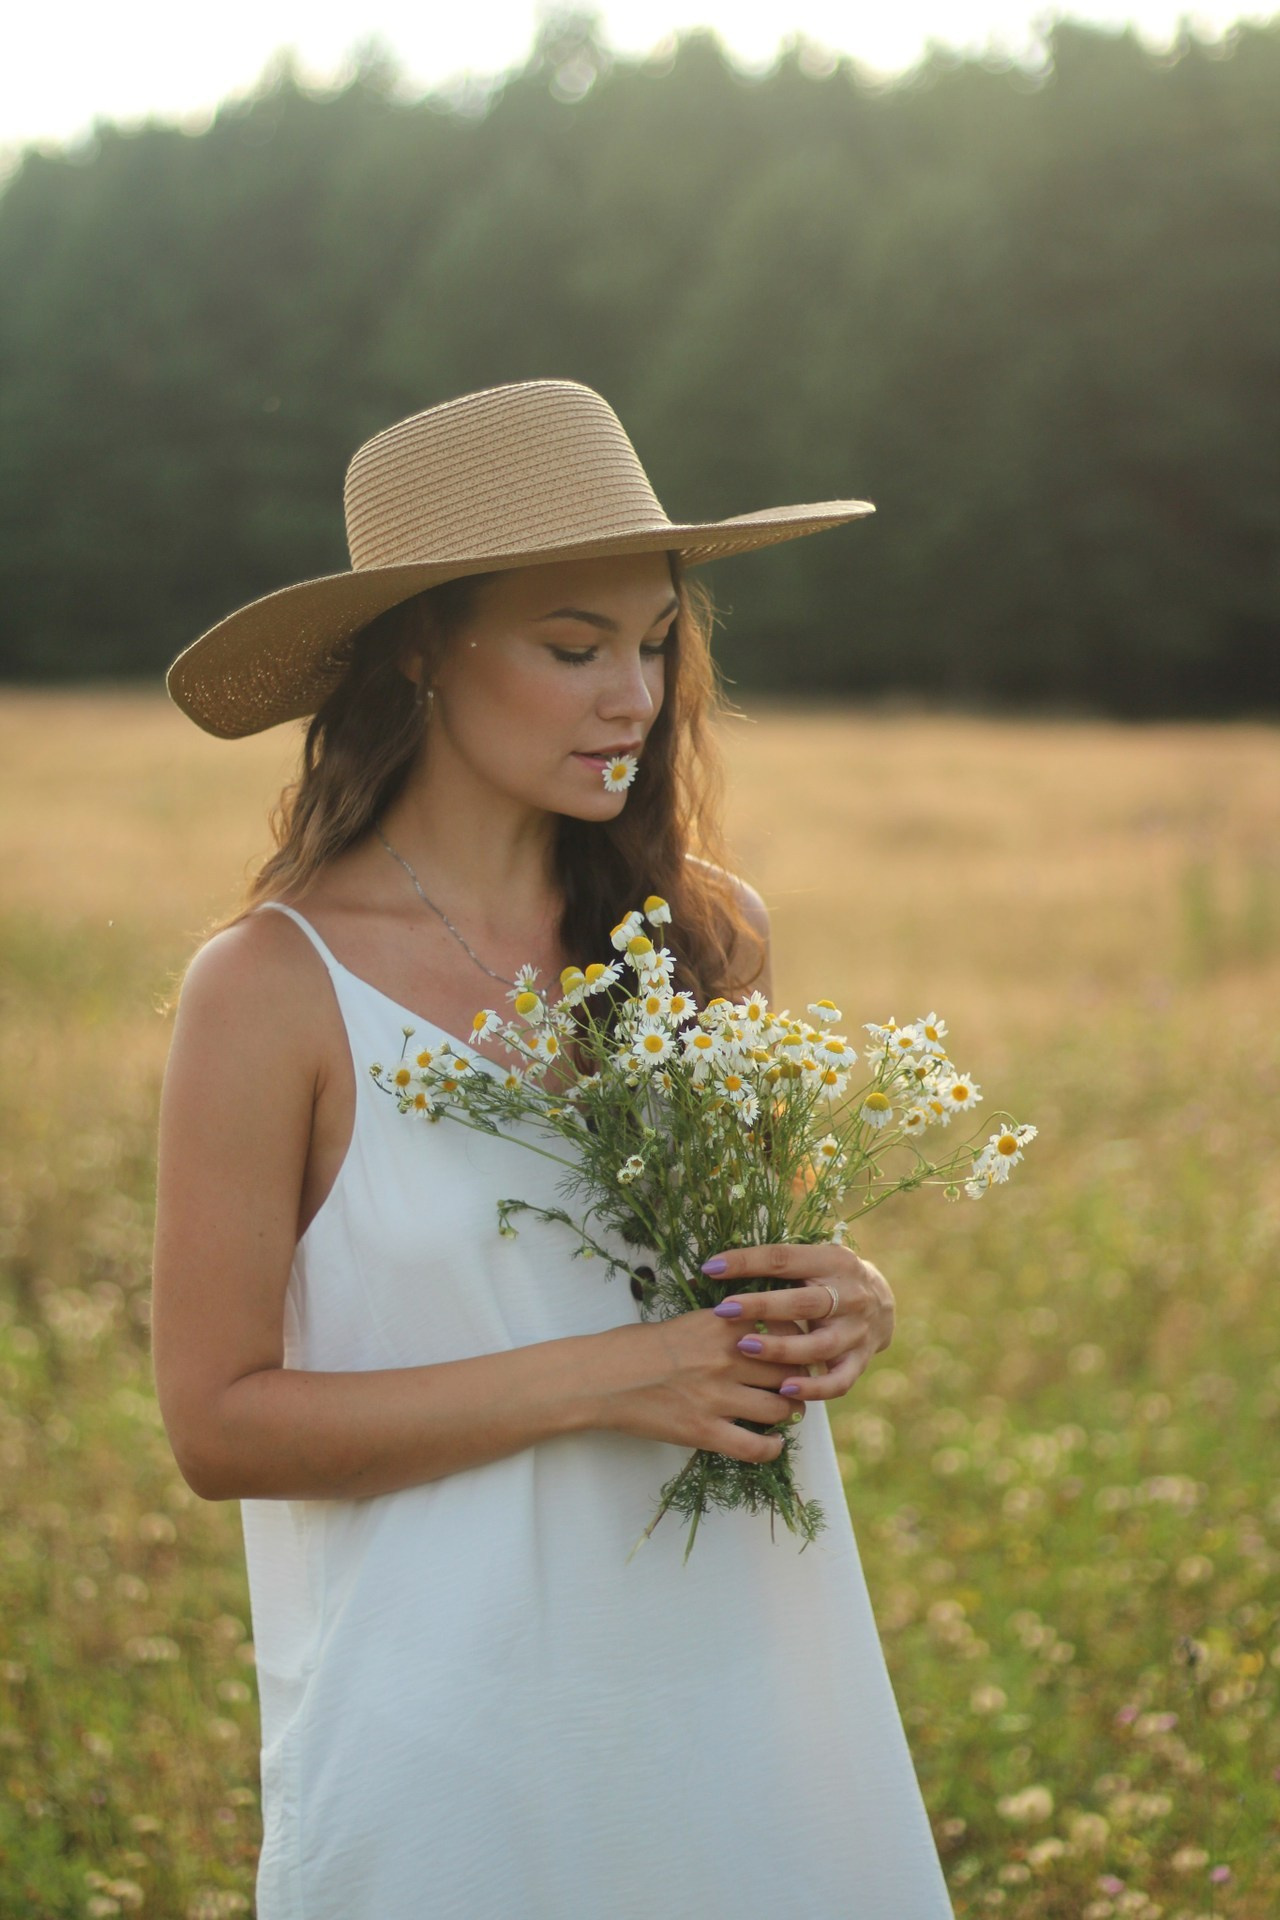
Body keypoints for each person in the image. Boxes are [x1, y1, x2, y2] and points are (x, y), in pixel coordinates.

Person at [151, 378, 955, 1918]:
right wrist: (616, 1378)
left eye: (654, 643)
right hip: (452, 1743)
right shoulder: (268, 988)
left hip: (741, 1690)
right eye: (574, 648)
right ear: (419, 649)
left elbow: (740, 1291)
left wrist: (848, 1297)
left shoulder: (705, 937)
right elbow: (218, 1427)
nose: (634, 698)